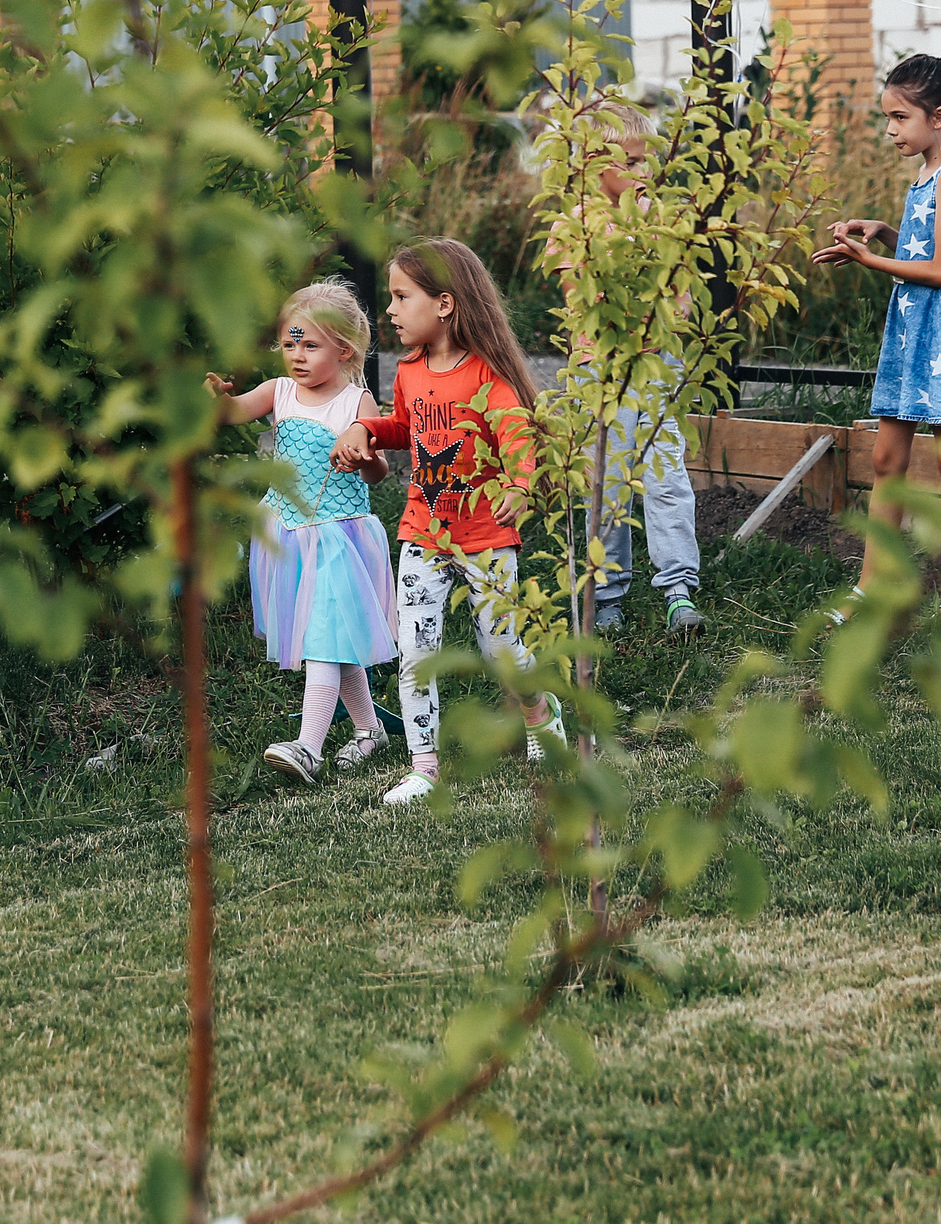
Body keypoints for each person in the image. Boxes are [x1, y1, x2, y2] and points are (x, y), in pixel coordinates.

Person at [330, 237, 553, 806]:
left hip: (484, 538)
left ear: (445, 305)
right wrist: (367, 431)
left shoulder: (486, 378)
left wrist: (521, 484)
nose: (391, 310)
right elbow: (404, 428)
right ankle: (424, 767)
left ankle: (539, 719)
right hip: (423, 534)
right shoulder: (408, 371)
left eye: (403, 297)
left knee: (499, 647)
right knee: (417, 650)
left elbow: (517, 436)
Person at [811, 54, 941, 606]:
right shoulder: (926, 174)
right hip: (911, 330)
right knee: (888, 460)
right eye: (887, 117)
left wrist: (870, 262)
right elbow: (924, 248)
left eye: (899, 118)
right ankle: (871, 585)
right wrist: (885, 232)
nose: (890, 130)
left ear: (938, 116)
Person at [208, 281, 396, 781]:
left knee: (324, 638)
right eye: (289, 344)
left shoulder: (357, 402)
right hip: (289, 534)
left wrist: (362, 456)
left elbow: (380, 472)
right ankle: (370, 731)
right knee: (334, 637)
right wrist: (216, 400)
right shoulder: (280, 392)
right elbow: (230, 415)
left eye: (310, 345)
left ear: (344, 349)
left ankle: (307, 748)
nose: (296, 355)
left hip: (338, 536)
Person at [547, 106, 703, 635]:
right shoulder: (574, 226)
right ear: (593, 164)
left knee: (664, 469)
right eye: (631, 163)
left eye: (646, 162)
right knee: (608, 479)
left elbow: (677, 298)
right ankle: (607, 594)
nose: (643, 173)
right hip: (601, 369)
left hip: (657, 360)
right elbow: (579, 299)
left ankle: (679, 587)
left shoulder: (659, 218)